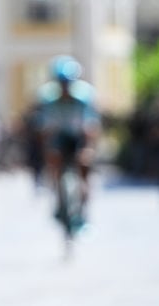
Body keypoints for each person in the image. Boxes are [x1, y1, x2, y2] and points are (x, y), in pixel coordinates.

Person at [36, 54, 100, 224]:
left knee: (84, 162)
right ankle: (57, 191)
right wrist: (48, 150)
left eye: (68, 84)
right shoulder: (48, 98)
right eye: (61, 84)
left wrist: (88, 148)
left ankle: (84, 194)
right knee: (54, 157)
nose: (65, 88)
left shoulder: (84, 96)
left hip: (79, 136)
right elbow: (45, 129)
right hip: (60, 136)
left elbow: (91, 126)